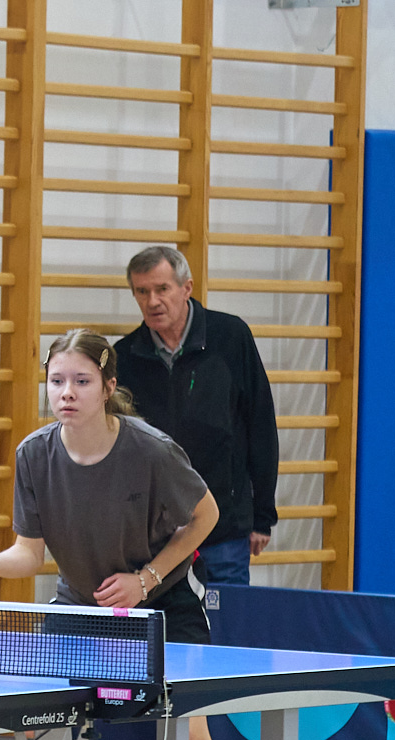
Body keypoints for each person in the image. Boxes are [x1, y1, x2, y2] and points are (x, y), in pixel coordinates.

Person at [0, 328, 239, 740]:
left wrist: (145, 579)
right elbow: (28, 555)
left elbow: (206, 515)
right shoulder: (34, 455)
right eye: (57, 381)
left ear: (108, 387)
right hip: (81, 607)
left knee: (189, 730)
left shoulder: (151, 450)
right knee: (36, 723)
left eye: (82, 381)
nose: (67, 392)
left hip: (164, 605)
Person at [111, 245, 279, 587]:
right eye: (142, 292)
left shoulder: (231, 337)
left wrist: (262, 516)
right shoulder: (124, 357)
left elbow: (260, 424)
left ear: (186, 288)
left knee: (226, 619)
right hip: (154, 535)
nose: (152, 301)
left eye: (162, 289)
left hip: (224, 529)